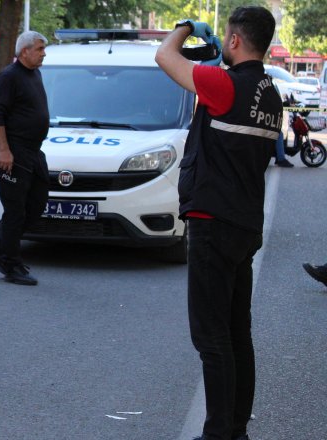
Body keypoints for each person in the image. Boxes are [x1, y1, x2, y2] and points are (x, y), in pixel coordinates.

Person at [155, 6, 281, 440]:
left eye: (225, 37)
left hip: (214, 222)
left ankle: (218, 434)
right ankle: (236, 429)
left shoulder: (224, 84)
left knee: (212, 340)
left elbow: (164, 56)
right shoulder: (271, 93)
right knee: (235, 335)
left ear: (233, 41)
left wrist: (184, 28)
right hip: (244, 223)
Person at [0, 31, 49, 286]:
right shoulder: (9, 76)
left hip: (33, 151)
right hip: (14, 152)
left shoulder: (35, 73)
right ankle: (10, 263)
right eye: (40, 48)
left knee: (38, 202)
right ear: (24, 52)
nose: (44, 53)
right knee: (15, 210)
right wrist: (5, 150)